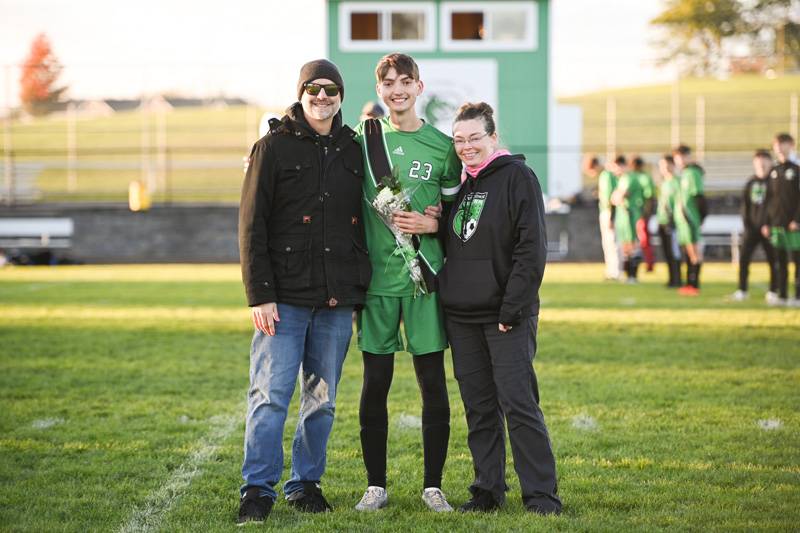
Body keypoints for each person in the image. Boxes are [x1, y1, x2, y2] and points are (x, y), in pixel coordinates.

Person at [236, 59, 371, 524]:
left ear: (340, 96)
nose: (322, 97)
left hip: (335, 300)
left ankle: (305, 483)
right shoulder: (271, 148)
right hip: (284, 298)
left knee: (323, 399)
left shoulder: (355, 150)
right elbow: (251, 226)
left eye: (331, 90)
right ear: (301, 93)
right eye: (313, 89)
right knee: (271, 396)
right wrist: (259, 294)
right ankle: (257, 489)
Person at [437, 102, 561, 515]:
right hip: (462, 317)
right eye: (459, 140)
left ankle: (541, 495)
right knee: (479, 407)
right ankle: (487, 490)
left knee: (519, 404)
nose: (467, 147)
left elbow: (531, 249)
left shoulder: (517, 177)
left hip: (505, 316)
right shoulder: (460, 185)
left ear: (493, 137)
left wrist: (512, 309)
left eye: (474, 138)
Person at [353, 53, 462, 513]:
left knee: (432, 382)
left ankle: (432, 485)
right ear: (379, 91)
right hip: (377, 283)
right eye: (388, 83)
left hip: (424, 281)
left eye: (405, 82)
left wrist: (433, 225)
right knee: (375, 382)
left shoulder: (443, 147)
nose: (397, 90)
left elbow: (458, 214)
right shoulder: (360, 140)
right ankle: (375, 485)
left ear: (420, 87)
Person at [730, 149, 778, 302]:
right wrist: (747, 225)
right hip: (752, 228)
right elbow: (745, 206)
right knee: (744, 259)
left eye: (764, 161)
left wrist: (769, 224)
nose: (761, 165)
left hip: (769, 229)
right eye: (758, 162)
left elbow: (776, 205)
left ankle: (773, 291)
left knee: (773, 260)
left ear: (770, 162)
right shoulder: (751, 182)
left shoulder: (775, 181)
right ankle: (742, 290)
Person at [762, 133, 800, 306]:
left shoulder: (797, 168)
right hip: (776, 224)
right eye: (776, 144)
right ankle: (782, 295)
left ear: (791, 145)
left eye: (782, 144)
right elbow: (768, 199)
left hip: (794, 225)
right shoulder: (774, 171)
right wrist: (766, 222)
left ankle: (798, 296)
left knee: (797, 261)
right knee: (780, 261)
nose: (779, 148)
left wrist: (797, 219)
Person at [672, 144, 707, 296]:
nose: (678, 161)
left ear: (687, 156)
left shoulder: (693, 173)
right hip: (683, 221)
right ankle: (688, 283)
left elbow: (699, 197)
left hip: (690, 219)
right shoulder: (684, 174)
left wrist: (699, 218)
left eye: (680, 157)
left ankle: (694, 284)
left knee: (694, 252)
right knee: (687, 252)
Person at [586, 155, 620, 280]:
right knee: (607, 243)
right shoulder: (603, 176)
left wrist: (611, 216)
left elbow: (612, 197)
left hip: (609, 212)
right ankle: (611, 270)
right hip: (604, 211)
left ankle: (616, 271)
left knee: (613, 242)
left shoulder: (607, 175)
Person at [610, 155, 643, 283]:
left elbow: (618, 196)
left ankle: (633, 276)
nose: (614, 170)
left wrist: (618, 197)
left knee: (632, 244)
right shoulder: (622, 179)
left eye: (616, 167)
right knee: (625, 246)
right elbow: (613, 198)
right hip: (622, 215)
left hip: (630, 215)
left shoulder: (630, 177)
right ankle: (628, 274)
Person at [656, 155, 682, 288]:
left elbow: (678, 203)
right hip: (662, 220)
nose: (664, 169)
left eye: (666, 165)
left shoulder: (676, 182)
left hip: (672, 222)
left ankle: (677, 279)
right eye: (662, 166)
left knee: (674, 251)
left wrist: (673, 219)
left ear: (672, 165)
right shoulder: (664, 182)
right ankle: (671, 278)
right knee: (667, 252)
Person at [632, 155, 656, 272]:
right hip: (634, 214)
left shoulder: (644, 178)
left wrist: (646, 213)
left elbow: (650, 197)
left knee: (644, 240)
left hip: (641, 214)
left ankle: (649, 264)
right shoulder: (633, 177)